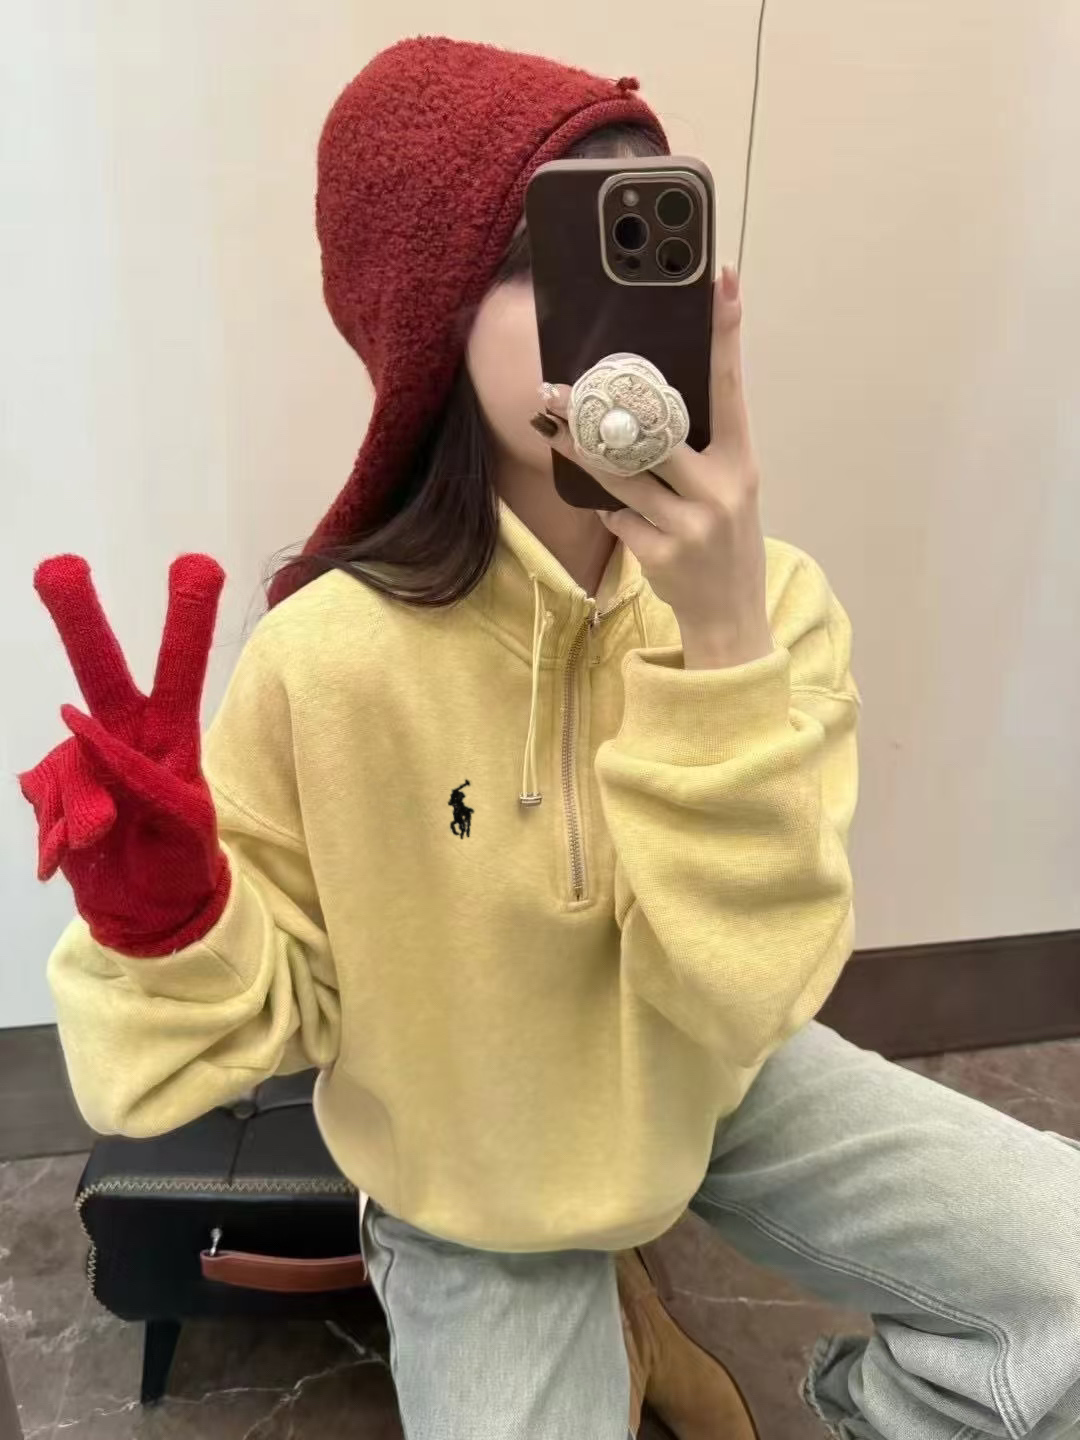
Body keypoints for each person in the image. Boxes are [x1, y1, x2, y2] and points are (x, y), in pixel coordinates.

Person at [18, 36, 1080, 1440]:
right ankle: (597, 1308)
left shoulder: (772, 606)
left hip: (711, 1090)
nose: (621, 307)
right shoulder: (329, 658)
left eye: (656, 243)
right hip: (478, 1189)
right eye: (550, 258)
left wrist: (720, 639)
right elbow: (209, 1052)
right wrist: (166, 927)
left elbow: (753, 995)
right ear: (430, 323)